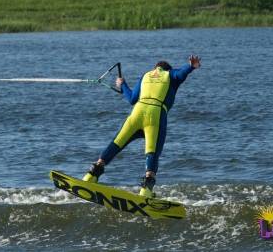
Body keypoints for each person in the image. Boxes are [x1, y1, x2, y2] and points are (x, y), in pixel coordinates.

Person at [83, 55, 201, 198]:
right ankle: (146, 191)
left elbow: (132, 99)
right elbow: (181, 73)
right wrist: (191, 66)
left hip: (137, 113)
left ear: (155, 68)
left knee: (117, 143)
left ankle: (91, 176)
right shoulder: (170, 74)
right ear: (167, 68)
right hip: (155, 115)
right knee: (152, 152)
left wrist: (123, 84)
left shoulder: (145, 76)